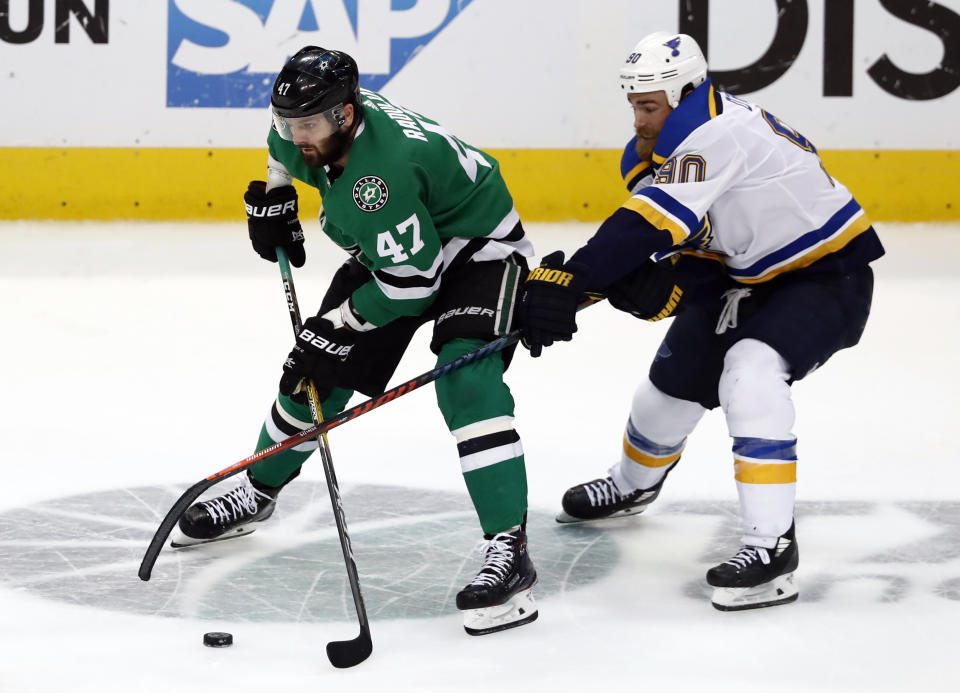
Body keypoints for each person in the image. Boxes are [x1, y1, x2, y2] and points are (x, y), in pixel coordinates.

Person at [171, 46, 538, 636]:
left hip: (477, 251)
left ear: (346, 115)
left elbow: (414, 284)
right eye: (289, 122)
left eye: (309, 126)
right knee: (313, 375)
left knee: (467, 382)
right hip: (398, 250)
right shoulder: (305, 120)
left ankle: (509, 548)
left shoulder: (381, 175)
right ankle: (259, 492)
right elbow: (279, 143)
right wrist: (277, 192)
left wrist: (339, 324)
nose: (297, 135)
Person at [520, 31, 885, 611]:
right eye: (634, 106)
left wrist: (580, 278)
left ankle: (771, 549)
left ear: (686, 92)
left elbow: (641, 225)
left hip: (824, 275)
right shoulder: (653, 153)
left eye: (650, 105)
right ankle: (633, 487)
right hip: (743, 278)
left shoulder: (723, 132)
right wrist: (660, 287)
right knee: (667, 390)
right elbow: (681, 244)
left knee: (749, 373)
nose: (639, 120)